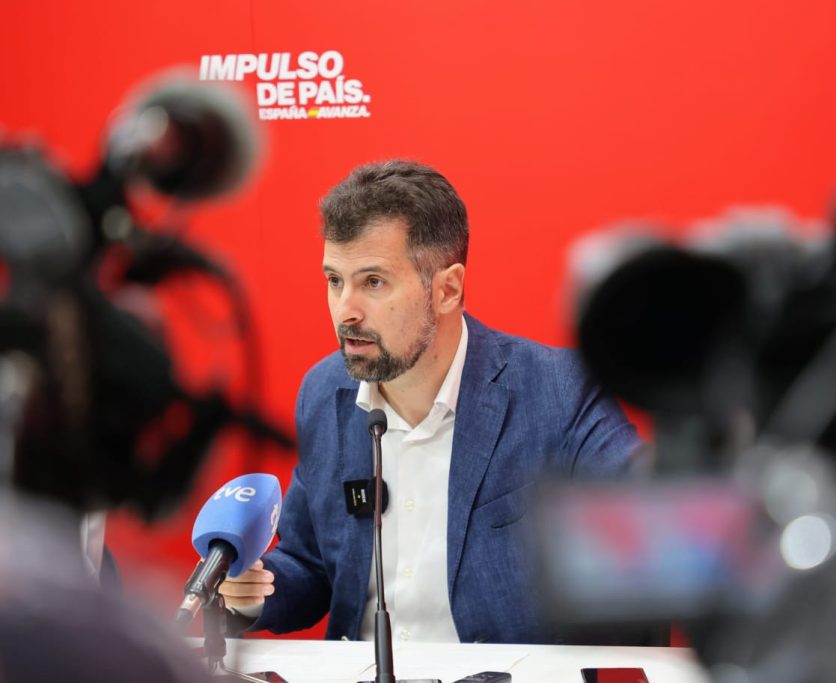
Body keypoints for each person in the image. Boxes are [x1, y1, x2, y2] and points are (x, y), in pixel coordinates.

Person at [219, 160, 640, 643]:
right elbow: (309, 562)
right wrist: (253, 593)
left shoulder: (559, 390)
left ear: (446, 290)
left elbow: (648, 536)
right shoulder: (324, 392)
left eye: (373, 282)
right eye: (335, 280)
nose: (345, 311)